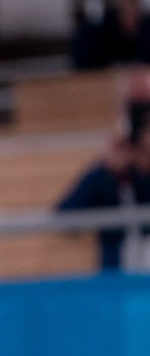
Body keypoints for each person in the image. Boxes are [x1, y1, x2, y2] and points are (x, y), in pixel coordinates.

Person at [58, 67, 150, 270]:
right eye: (137, 111)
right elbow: (64, 218)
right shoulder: (108, 172)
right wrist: (106, 174)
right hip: (119, 288)